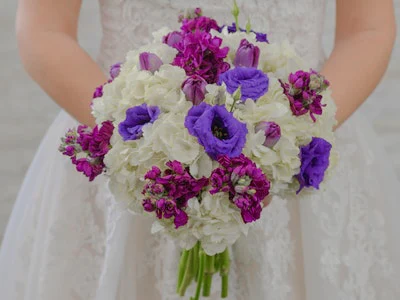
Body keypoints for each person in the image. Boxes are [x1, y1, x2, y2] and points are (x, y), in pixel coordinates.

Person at [0, 0, 398, 299]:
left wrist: (289, 139)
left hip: (294, 157)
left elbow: (367, 30)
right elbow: (43, 31)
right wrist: (136, 141)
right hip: (129, 155)